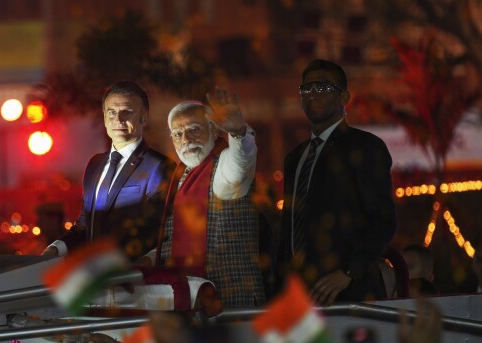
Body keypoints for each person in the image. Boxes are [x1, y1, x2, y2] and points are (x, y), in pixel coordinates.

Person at [276, 59, 397, 306]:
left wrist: (349, 271)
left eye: (322, 87)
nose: (312, 95)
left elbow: (383, 220)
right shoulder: (295, 158)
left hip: (348, 291)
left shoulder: (364, 146)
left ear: (344, 97)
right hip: (299, 292)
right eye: (306, 89)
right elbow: (291, 223)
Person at [142, 88, 266, 309]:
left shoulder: (225, 164)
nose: (186, 139)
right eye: (177, 134)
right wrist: (149, 260)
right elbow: (177, 239)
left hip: (228, 300)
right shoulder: (179, 177)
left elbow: (242, 160)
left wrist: (238, 132)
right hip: (186, 299)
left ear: (212, 129)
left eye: (194, 130)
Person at [43, 81, 175, 261]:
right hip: (94, 277)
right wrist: (56, 249)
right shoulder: (94, 165)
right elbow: (84, 224)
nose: (118, 120)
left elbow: (159, 230)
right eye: (112, 112)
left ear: (144, 117)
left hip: (133, 277)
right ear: (104, 118)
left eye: (127, 112)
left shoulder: (159, 166)